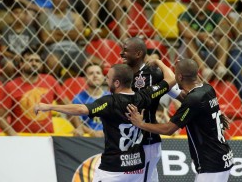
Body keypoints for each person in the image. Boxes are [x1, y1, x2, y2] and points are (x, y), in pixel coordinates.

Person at [34, 59, 176, 182]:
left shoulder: (110, 102)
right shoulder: (145, 96)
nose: (105, 80)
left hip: (114, 169)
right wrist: (159, 62)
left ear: (117, 82)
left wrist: (50, 106)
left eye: (108, 77)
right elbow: (171, 79)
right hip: (137, 168)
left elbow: (81, 109)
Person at [126, 59, 233, 182]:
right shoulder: (207, 89)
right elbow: (197, 105)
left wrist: (140, 123)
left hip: (212, 164)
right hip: (223, 157)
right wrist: (160, 63)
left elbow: (168, 129)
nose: (174, 78)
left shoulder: (193, 100)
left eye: (175, 74)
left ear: (180, 77)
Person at [120, 37, 183, 182]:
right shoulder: (121, 74)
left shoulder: (154, 74)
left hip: (147, 140)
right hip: (127, 140)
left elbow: (179, 95)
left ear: (138, 54)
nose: (121, 54)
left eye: (125, 50)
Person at [0, 48, 71, 135]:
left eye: (37, 61)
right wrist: (14, 135)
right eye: (29, 60)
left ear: (42, 65)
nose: (34, 63)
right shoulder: (10, 86)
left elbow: (69, 107)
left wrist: (78, 127)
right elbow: (1, 117)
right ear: (21, 64)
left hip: (47, 137)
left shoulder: (50, 80)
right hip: (22, 136)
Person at [177, 0, 230, 81]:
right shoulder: (185, 15)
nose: (200, 3)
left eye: (203, 0)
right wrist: (200, 36)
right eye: (197, 0)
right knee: (188, 39)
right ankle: (204, 70)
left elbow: (226, 27)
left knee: (223, 37)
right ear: (192, 1)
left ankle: (221, 68)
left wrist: (212, 35)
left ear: (208, 1)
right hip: (190, 57)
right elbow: (184, 29)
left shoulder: (215, 15)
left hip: (210, 50)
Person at [38, 0, 87, 78]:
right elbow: (46, 37)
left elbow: (80, 35)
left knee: (95, 63)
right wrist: (71, 32)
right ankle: (53, 87)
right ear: (52, 0)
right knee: (53, 62)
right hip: (53, 50)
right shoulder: (44, 15)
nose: (60, 0)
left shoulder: (76, 16)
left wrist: (56, 32)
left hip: (75, 50)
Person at [0, 2, 40, 81]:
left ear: (25, 15)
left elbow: (34, 48)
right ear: (11, 15)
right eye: (16, 13)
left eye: (21, 12)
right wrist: (14, 56)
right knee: (9, 65)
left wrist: (25, 57)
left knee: (34, 63)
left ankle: (29, 81)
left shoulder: (31, 29)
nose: (19, 15)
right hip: (10, 57)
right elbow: (3, 50)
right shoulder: (6, 29)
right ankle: (10, 82)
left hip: (26, 57)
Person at [71, 63, 110, 137]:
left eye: (98, 73)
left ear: (103, 77)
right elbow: (78, 124)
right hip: (89, 138)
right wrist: (92, 132)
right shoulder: (78, 99)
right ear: (85, 78)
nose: (95, 76)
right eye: (91, 73)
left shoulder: (112, 97)